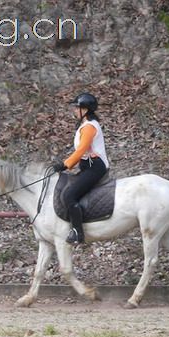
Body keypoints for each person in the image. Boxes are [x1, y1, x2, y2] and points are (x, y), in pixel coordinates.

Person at [52, 92, 110, 244]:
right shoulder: (85, 125)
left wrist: (65, 164)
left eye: (76, 108)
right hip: (88, 166)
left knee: (69, 195)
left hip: (95, 167)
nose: (74, 110)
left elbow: (82, 149)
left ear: (84, 110)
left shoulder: (90, 127)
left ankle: (78, 232)